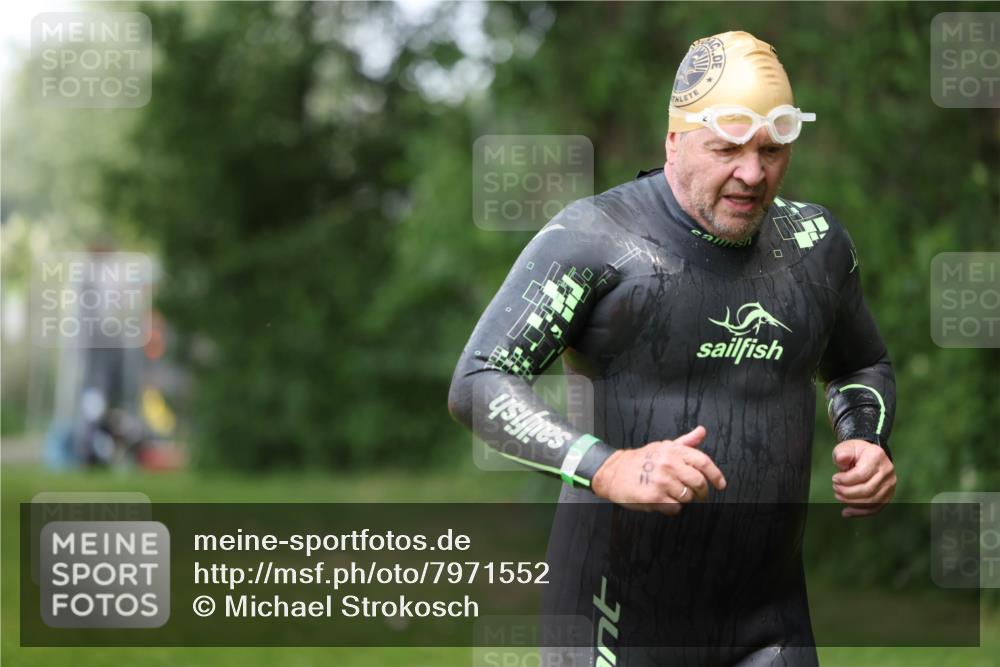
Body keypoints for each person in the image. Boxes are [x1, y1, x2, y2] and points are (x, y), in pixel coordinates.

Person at [448, 30, 896, 666]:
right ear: (674, 141)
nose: (753, 173)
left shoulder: (815, 245)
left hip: (769, 625)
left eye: (772, 150)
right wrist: (607, 466)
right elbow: (480, 380)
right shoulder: (596, 238)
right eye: (727, 149)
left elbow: (860, 363)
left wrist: (866, 437)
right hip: (614, 621)